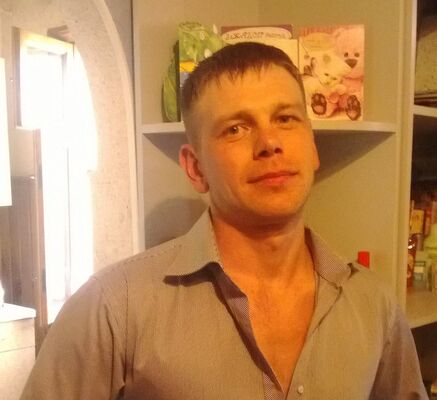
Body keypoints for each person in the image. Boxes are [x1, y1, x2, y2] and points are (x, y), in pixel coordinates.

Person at [20, 42, 428, 400]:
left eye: (286, 119)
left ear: (312, 146)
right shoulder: (113, 308)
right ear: (195, 168)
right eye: (236, 128)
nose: (269, 143)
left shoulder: (374, 306)